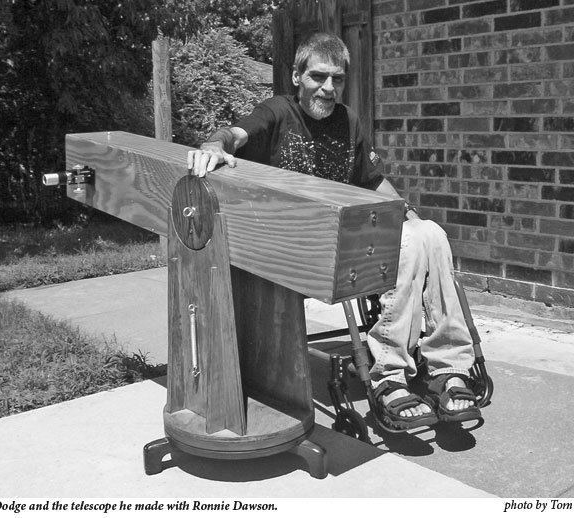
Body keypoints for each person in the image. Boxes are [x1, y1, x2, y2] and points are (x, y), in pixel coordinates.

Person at [187, 33, 481, 431]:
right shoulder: (277, 112)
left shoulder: (348, 121)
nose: (328, 88)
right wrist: (213, 144)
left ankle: (449, 367)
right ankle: (388, 377)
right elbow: (235, 135)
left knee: (430, 233)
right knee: (410, 240)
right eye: (318, 76)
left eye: (337, 79)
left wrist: (406, 211)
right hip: (295, 248)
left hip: (346, 242)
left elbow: (372, 181)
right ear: (296, 76)